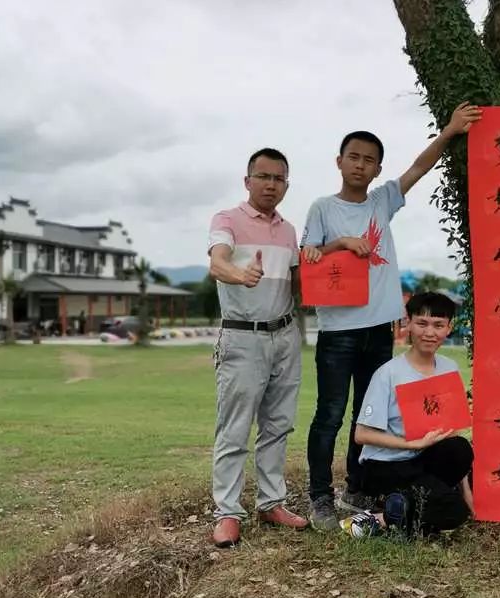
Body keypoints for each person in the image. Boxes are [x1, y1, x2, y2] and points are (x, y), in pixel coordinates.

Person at [301, 104, 480, 530]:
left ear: (378, 167)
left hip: (379, 326)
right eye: (353, 157)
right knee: (330, 412)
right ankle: (320, 496)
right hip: (338, 328)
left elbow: (419, 166)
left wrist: (451, 130)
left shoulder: (382, 200)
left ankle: (357, 487)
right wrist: (341, 242)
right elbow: (308, 260)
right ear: (339, 161)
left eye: (369, 160)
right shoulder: (322, 208)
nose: (360, 165)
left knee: (369, 409)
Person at [206, 147, 308, 548]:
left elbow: (301, 288)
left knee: (278, 424)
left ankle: (272, 502)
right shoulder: (227, 220)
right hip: (242, 337)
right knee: (234, 428)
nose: (270, 184)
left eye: (278, 178)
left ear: (286, 184)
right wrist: (239, 273)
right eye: (262, 177)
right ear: (247, 181)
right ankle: (228, 512)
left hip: (285, 335)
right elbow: (217, 262)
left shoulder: (288, 230)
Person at [351, 291, 473, 536]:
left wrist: (467, 494)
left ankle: (397, 507)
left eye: (438, 325)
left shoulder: (449, 368)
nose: (430, 333)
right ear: (408, 324)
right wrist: (410, 443)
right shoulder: (388, 374)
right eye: (422, 323)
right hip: (385, 465)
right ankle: (378, 518)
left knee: (460, 449)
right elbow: (361, 435)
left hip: (422, 461)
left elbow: (451, 431)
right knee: (454, 514)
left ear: (449, 328)